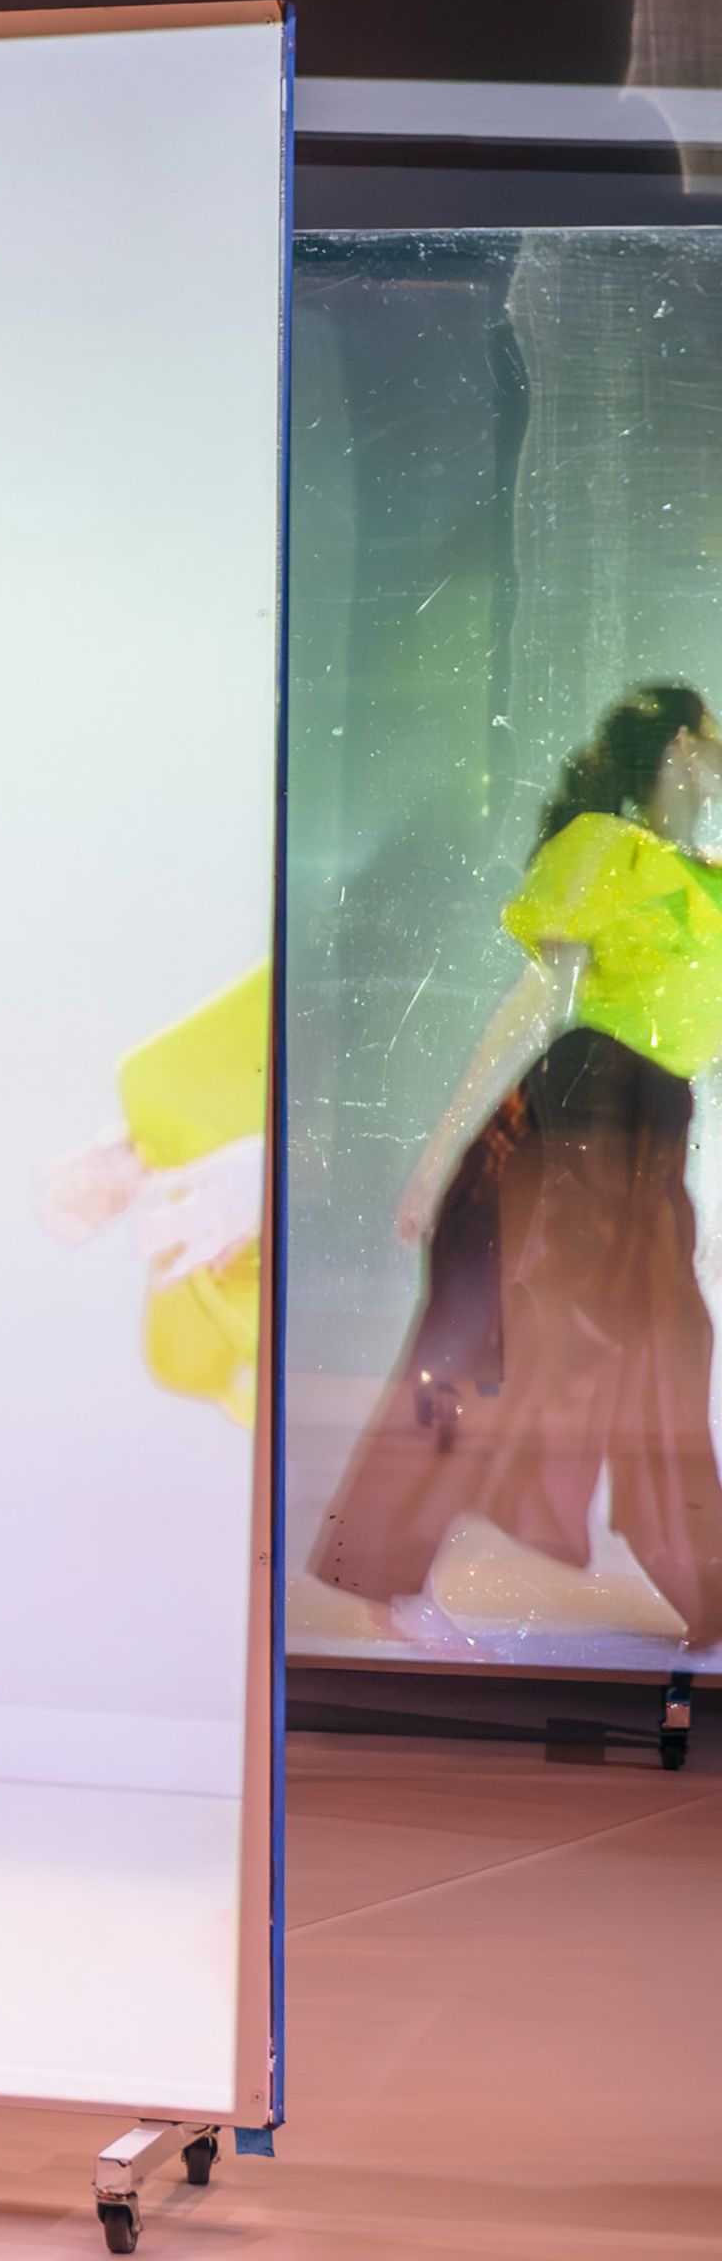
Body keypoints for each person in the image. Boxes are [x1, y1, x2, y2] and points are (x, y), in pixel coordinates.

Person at [313, 684, 722, 1653]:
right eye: (714, 740)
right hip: (574, 1119)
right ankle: (386, 1573)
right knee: (481, 1340)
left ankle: (710, 1601)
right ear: (680, 745)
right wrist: (438, 1156)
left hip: (648, 1133)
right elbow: (535, 1007)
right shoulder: (603, 851)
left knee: (663, 1359)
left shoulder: (705, 879)